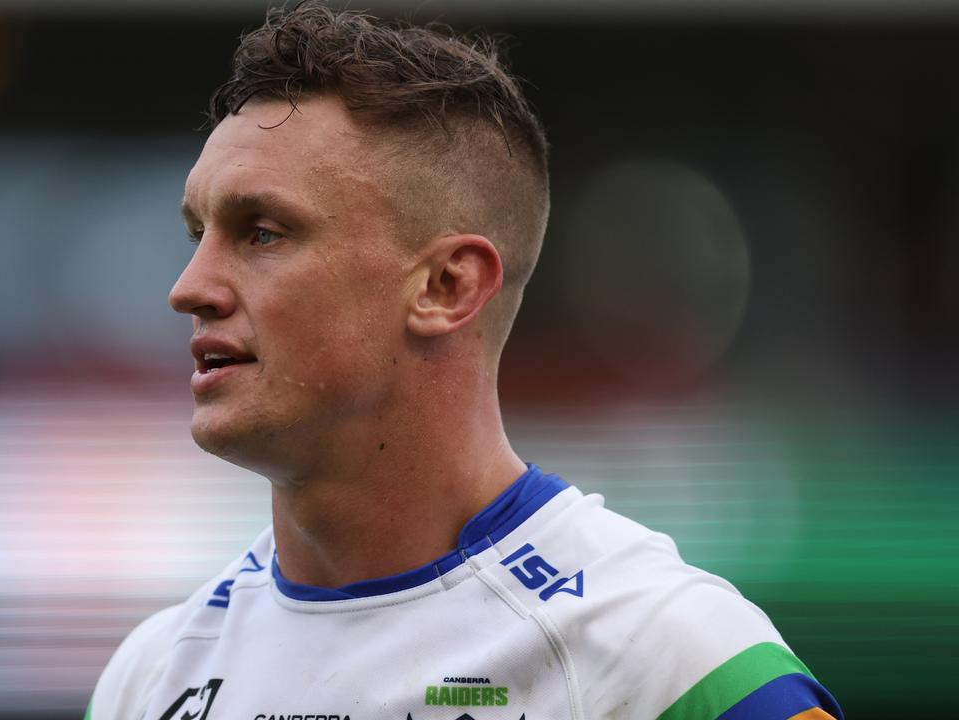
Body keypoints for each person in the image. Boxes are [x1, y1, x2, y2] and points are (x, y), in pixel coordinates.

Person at [86, 5, 844, 719]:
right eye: (198, 235)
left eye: (262, 233)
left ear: (447, 286)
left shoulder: (668, 661)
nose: (189, 290)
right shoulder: (150, 676)